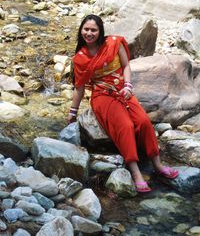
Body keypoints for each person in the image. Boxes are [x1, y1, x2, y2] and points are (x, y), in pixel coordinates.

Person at [67, 14, 179, 193]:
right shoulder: (80, 58)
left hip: (123, 90)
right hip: (102, 96)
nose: (89, 33)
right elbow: (79, 88)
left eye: (93, 30)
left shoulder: (113, 43)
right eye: (86, 29)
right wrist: (72, 113)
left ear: (100, 31)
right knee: (125, 125)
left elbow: (126, 66)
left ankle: (157, 165)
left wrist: (128, 85)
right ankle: (135, 172)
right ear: (81, 31)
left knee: (143, 121)